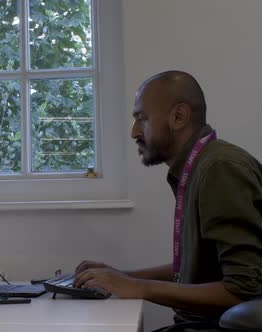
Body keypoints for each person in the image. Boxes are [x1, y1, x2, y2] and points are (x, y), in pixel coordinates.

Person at [73, 71, 262, 331]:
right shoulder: (199, 166)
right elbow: (196, 269)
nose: (134, 132)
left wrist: (138, 287)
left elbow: (243, 289)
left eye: (142, 119)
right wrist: (121, 275)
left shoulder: (219, 168)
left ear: (178, 117)